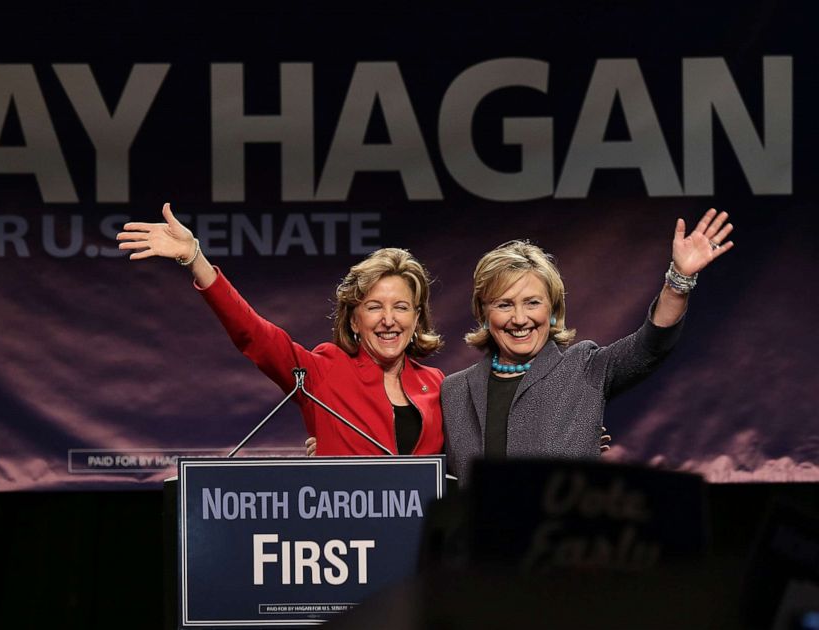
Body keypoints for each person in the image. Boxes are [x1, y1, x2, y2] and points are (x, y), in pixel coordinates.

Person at [117, 203, 446, 456]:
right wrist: (195, 258)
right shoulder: (325, 371)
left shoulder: (438, 385)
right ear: (354, 319)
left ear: (416, 319)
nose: (389, 319)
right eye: (374, 307)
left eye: (401, 307)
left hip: (424, 540)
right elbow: (254, 334)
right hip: (349, 537)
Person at [441, 208, 734, 484]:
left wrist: (678, 282)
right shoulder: (455, 390)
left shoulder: (585, 368)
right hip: (479, 538)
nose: (520, 319)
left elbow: (651, 344)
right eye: (504, 304)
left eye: (532, 303)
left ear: (553, 308)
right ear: (483, 313)